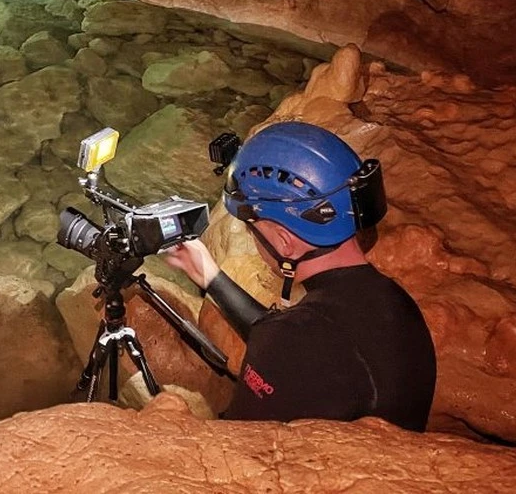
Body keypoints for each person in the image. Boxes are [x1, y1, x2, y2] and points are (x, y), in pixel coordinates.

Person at [163, 120, 436, 430]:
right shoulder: (397, 305)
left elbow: (235, 447)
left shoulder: (295, 344)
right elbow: (289, 339)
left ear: (284, 242)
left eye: (252, 230)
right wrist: (210, 277)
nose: (253, 239)